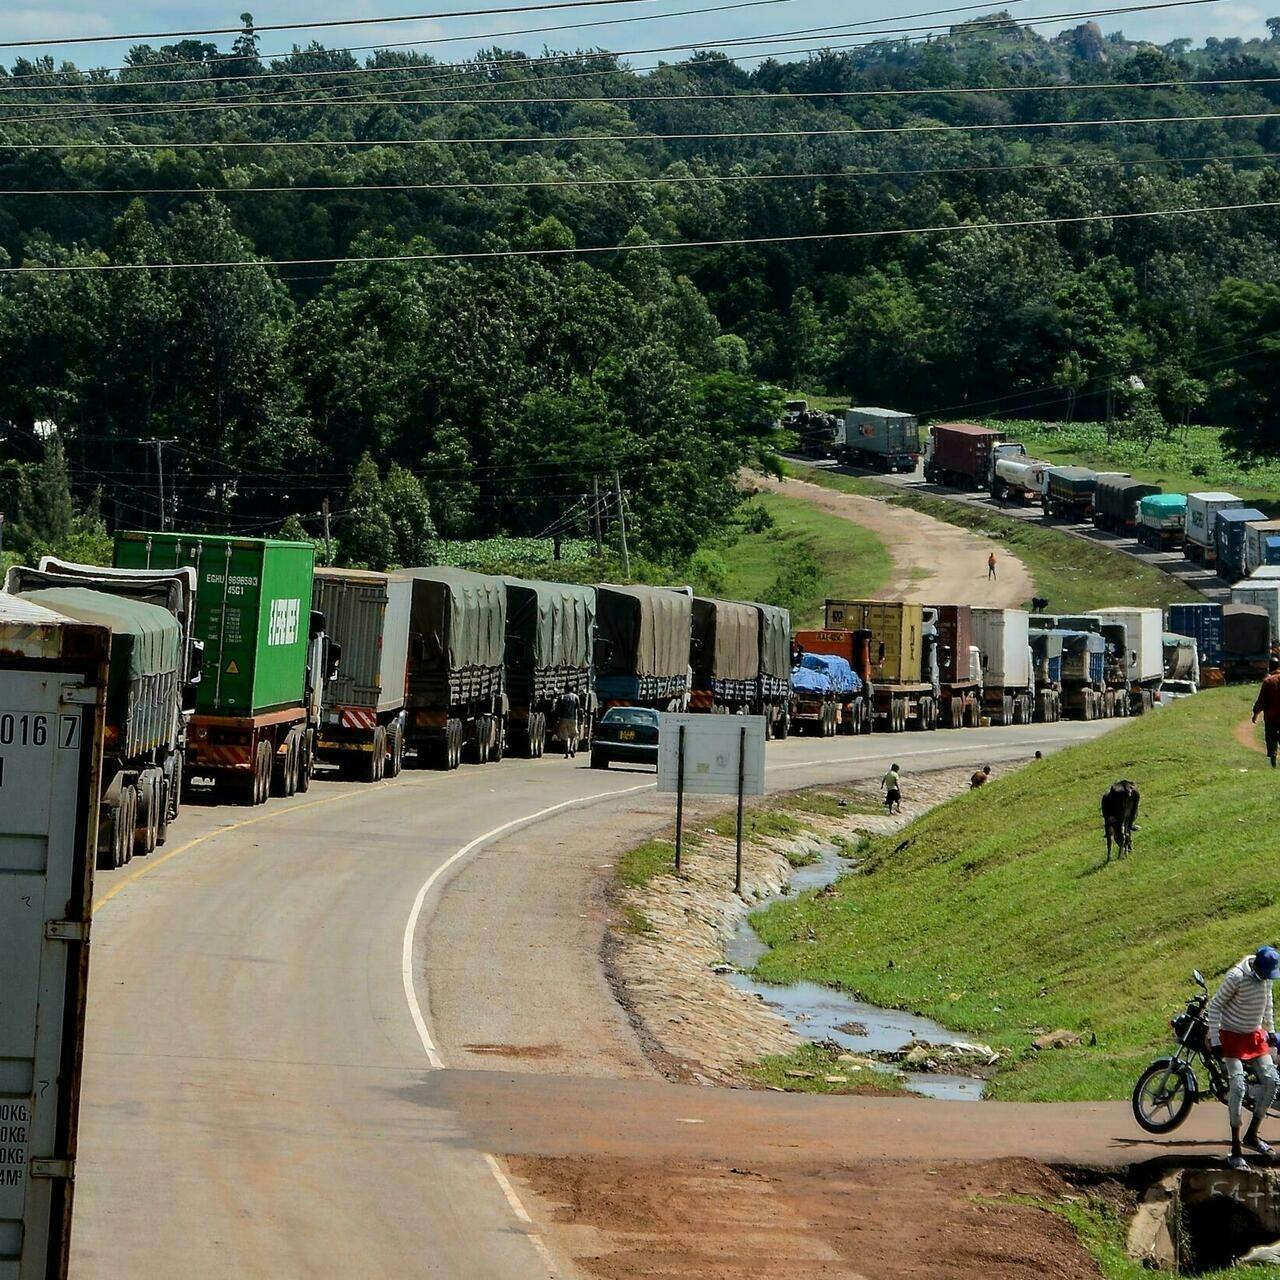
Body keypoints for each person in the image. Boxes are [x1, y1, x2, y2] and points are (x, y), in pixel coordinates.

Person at [1206, 946, 1280, 1170]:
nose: (1268, 978)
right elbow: (1215, 1006)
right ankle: (1236, 1149)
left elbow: (1268, 1005)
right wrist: (1216, 1039)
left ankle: (1252, 1135)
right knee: (1237, 1086)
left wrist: (1272, 1031)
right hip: (1231, 1036)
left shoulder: (1265, 978)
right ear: (1256, 965)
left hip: (1254, 1036)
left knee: (1271, 1080)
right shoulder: (1236, 977)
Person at [1252, 659, 1280, 769]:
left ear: (1269, 667)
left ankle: (1273, 763)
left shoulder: (1268, 681)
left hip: (1271, 718)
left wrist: (1255, 713)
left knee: (1271, 740)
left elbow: (1262, 700)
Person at [555, 689, 581, 759]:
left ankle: (566, 752)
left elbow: (558, 709)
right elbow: (578, 709)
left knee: (565, 736)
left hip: (563, 719)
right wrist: (579, 720)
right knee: (573, 735)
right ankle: (571, 748)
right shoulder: (576, 697)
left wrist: (558, 719)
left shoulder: (562, 697)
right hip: (573, 719)